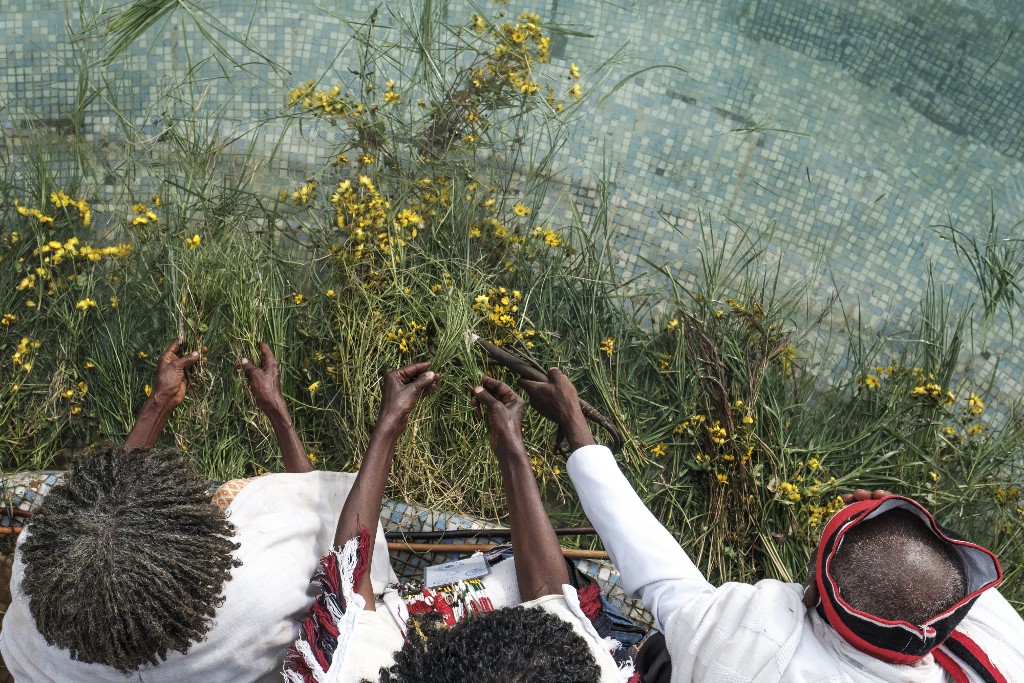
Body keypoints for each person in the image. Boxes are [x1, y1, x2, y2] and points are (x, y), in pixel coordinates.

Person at [518, 368, 1024, 682]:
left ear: (814, 595)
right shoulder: (1003, 653)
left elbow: (657, 573)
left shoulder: (752, 656)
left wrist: (574, 423)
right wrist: (895, 525)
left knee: (637, 652)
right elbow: (934, 581)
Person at [0, 341, 396, 682]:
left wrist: (160, 403)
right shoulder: (261, 595)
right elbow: (342, 555)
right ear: (200, 557)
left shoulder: (37, 576)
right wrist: (280, 414)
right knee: (234, 492)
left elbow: (112, 498)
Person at [283, 372, 624, 682]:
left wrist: (389, 423)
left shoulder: (356, 674)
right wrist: (511, 448)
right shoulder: (592, 669)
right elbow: (553, 594)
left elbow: (348, 582)